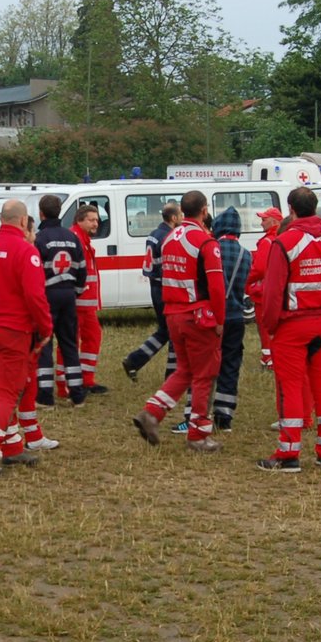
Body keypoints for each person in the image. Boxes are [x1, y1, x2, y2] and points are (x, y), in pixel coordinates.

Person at [255, 187, 321, 472]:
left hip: (293, 325)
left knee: (291, 387)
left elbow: (272, 290)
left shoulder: (285, 241)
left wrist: (270, 326)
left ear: (291, 209)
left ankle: (289, 453)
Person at [133, 190, 225, 453]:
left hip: (173, 314)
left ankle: (152, 412)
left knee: (185, 370)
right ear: (204, 211)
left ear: (183, 212)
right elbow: (217, 287)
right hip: (197, 316)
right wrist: (220, 319)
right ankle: (198, 434)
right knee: (205, 375)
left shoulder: (170, 237)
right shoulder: (206, 242)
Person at [0, 198, 56, 476]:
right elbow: (35, 296)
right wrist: (45, 328)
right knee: (9, 394)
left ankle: (14, 447)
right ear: (22, 221)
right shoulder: (26, 252)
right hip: (14, 332)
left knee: (2, 390)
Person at [35, 194, 87, 406]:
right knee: (69, 344)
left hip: (47, 296)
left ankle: (45, 396)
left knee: (45, 343)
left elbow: (35, 272)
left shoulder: (39, 239)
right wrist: (75, 291)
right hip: (68, 296)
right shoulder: (72, 237)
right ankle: (77, 394)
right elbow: (82, 269)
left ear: (41, 213)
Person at [121, 202, 181, 381]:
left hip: (155, 287)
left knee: (165, 331)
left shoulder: (155, 234)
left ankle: (134, 360)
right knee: (174, 331)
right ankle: (172, 375)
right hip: (165, 288)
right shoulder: (169, 237)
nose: (183, 218)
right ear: (173, 218)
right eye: (181, 215)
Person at [209, 206, 252, 431]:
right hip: (235, 317)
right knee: (230, 365)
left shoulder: (211, 249)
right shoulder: (247, 254)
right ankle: (224, 415)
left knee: (206, 365)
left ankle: (197, 413)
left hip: (213, 316)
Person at [71, 203, 107, 395]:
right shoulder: (77, 239)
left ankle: (86, 379)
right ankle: (73, 382)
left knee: (92, 337)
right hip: (79, 303)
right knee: (72, 341)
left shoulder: (82, 239)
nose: (96, 224)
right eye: (92, 220)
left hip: (85, 304)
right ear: (80, 220)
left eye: (97, 220)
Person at [247, 205, 283, 370]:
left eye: (263, 219)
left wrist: (246, 282)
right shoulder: (282, 237)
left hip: (263, 292)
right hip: (278, 290)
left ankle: (268, 358)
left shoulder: (267, 241)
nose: (261, 223)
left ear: (274, 221)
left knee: (264, 325)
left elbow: (259, 268)